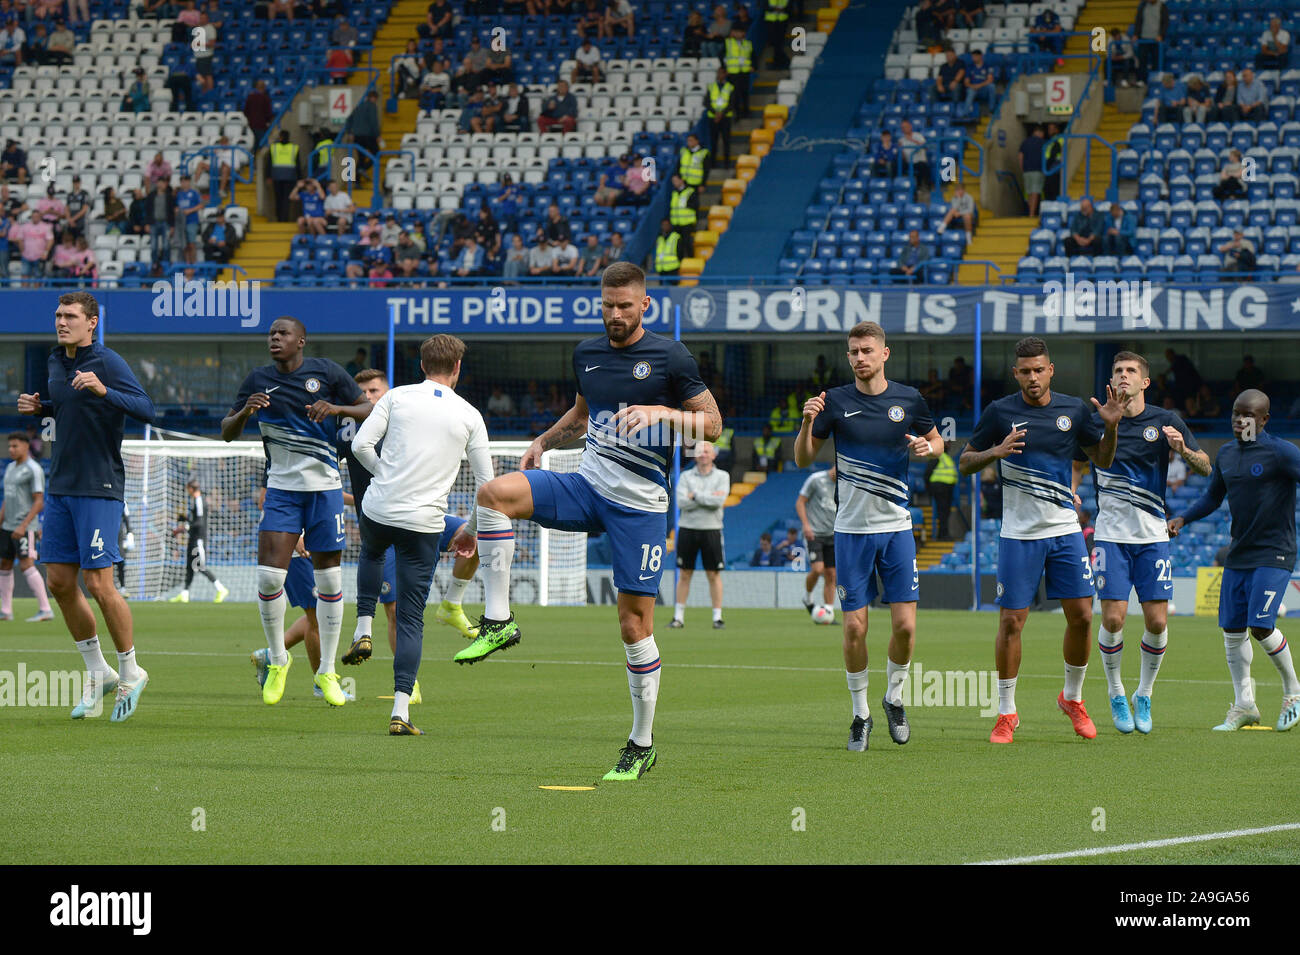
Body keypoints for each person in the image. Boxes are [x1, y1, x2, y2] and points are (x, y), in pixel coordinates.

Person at [448, 262, 721, 781]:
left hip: (640, 508)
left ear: (646, 306)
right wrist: (544, 442)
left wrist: (664, 414)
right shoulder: (587, 354)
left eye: (625, 306)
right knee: (492, 494)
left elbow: (713, 423)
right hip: (585, 486)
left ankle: (641, 743)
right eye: (607, 306)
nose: (615, 315)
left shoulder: (671, 356)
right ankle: (500, 620)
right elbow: (581, 413)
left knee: (633, 625)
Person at [958, 336, 1126, 744]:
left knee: (1083, 617)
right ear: (1016, 373)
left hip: (1065, 531)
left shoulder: (1073, 410)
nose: (1033, 378)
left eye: (1039, 370)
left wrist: (1112, 425)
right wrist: (995, 451)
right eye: (1025, 371)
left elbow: (1101, 459)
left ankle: (1072, 698)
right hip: (1018, 535)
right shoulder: (999, 412)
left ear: (1051, 370)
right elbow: (964, 462)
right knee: (1012, 622)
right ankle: (1006, 712)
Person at [794, 321, 943, 751]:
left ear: (884, 353)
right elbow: (804, 458)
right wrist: (807, 424)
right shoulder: (834, 401)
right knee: (855, 628)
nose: (860, 358)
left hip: (896, 529)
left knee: (906, 627)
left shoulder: (909, 400)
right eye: (853, 352)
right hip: (851, 532)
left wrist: (926, 449)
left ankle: (894, 698)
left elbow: (938, 445)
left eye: (867, 351)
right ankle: (860, 714)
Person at [16, 292, 155, 721]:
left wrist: (104, 388)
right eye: (58, 315)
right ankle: (99, 671)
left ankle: (132, 670)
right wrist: (43, 406)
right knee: (58, 582)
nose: (61, 322)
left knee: (99, 584)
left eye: (70, 316)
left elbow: (147, 409)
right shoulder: (56, 361)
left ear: (91, 322)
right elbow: (72, 406)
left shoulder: (109, 362)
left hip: (99, 486)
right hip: (60, 486)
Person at [220, 316, 372, 707]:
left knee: (330, 582)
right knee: (270, 579)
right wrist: (243, 414)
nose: (274, 338)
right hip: (282, 491)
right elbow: (226, 430)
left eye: (282, 333)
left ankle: (326, 673)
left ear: (301, 340)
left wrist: (335, 407)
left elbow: (369, 409)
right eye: (271, 333)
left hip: (324, 492)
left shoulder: (327, 372)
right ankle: (277, 659)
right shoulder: (257, 380)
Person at [348, 338, 493, 735]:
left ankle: (363, 627)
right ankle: (400, 712)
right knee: (411, 620)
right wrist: (471, 529)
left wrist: (383, 475)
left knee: (372, 554)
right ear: (458, 366)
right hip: (424, 522)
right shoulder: (469, 414)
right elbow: (487, 484)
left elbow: (360, 445)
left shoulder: (396, 396)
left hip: (379, 507)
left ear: (422, 364)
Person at [1072, 352, 1211, 735]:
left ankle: (1143, 694)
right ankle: (1116, 692)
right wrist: (1072, 491)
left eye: (1131, 371)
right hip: (1111, 536)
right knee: (1114, 618)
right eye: (1117, 370)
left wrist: (1182, 450)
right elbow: (1078, 462)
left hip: (1152, 537)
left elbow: (1206, 466)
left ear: (1145, 382)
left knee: (1157, 621)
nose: (1123, 375)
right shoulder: (1095, 420)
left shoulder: (1166, 421)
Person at [1168, 390, 1300, 732]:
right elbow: (1213, 496)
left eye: (1249, 415)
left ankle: (1294, 692)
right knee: (1231, 630)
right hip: (1239, 554)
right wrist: (1183, 518)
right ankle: (1244, 705)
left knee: (1261, 626)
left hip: (1275, 552)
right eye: (1235, 414)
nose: (1240, 421)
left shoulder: (1282, 452)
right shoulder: (1226, 454)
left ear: (1264, 419)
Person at [669, 440, 730, 630]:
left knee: (713, 574)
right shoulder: (686, 476)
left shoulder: (723, 476)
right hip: (687, 528)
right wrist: (706, 498)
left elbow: (718, 501)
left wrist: (695, 496)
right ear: (695, 455)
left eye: (706, 451)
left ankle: (717, 617)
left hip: (712, 529)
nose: (703, 454)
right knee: (685, 574)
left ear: (714, 455)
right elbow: (681, 502)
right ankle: (678, 617)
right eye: (700, 451)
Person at [0, 430, 53, 622]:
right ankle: (6, 611)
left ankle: (46, 609)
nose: (11, 449)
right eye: (9, 446)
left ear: (26, 446)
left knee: (26, 564)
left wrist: (23, 525)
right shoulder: (11, 468)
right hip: (7, 526)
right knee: (4, 564)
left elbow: (39, 501)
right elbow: (8, 497)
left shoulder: (33, 469)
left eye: (15, 446)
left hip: (25, 526)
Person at [167, 478, 230, 603]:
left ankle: (221, 589)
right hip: (193, 538)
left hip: (198, 540)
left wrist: (183, 528)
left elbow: (199, 522)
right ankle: (185, 594)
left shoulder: (199, 501)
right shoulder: (195, 501)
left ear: (191, 488)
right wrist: (185, 520)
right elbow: (195, 520)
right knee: (189, 567)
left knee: (200, 566)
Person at [796, 465, 837, 615]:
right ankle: (808, 598)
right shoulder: (816, 479)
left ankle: (828, 611)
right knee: (818, 569)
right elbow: (800, 502)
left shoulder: (844, 483)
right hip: (814, 533)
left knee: (832, 574)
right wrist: (806, 525)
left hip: (833, 534)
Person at [926, 440, 958, 540]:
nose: (949, 445)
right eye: (947, 443)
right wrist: (929, 490)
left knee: (945, 511)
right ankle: (943, 535)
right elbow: (927, 474)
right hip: (940, 488)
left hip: (947, 489)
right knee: (943, 512)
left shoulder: (946, 458)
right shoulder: (937, 456)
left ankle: (943, 534)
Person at [1019, 125, 1046, 217]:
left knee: (1029, 193)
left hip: (1026, 171)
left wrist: (1022, 169)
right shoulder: (1043, 143)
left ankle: (1030, 211)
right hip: (1037, 170)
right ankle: (1031, 213)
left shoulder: (1025, 142)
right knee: (1035, 192)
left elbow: (1020, 156)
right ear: (1040, 133)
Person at [964, 49, 996, 115]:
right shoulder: (970, 67)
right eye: (972, 57)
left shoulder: (987, 66)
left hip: (983, 89)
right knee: (970, 91)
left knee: (992, 86)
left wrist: (979, 85)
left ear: (980, 56)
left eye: (975, 56)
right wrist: (973, 86)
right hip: (973, 89)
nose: (973, 58)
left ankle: (991, 110)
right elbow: (966, 82)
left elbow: (990, 80)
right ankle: (965, 114)